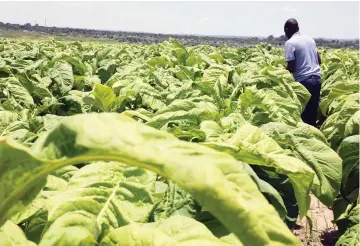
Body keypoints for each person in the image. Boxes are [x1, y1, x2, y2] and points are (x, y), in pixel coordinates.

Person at [284, 18, 322, 127]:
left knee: (302, 116)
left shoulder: (290, 43)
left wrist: (280, 74)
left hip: (304, 82)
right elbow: (319, 61)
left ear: (287, 29)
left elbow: (291, 67)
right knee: (312, 115)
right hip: (317, 79)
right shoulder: (310, 40)